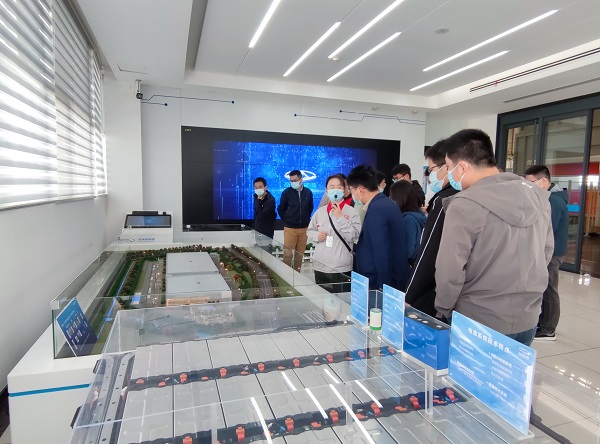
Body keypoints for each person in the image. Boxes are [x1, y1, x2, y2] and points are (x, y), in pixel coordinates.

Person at [435, 129, 553, 346]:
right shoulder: (537, 196)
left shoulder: (464, 204)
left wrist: (443, 308)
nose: (448, 174)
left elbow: (450, 269)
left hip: (478, 319)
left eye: (449, 167)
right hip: (527, 316)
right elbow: (546, 252)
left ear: (463, 167)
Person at [404, 140, 459, 317]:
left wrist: (409, 294)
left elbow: (429, 251)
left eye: (431, 169)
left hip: (439, 291)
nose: (429, 176)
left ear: (447, 166)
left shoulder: (443, 201)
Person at [524, 165, 569, 341]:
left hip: (553, 252)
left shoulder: (553, 201)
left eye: (531, 182)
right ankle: (543, 323)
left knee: (549, 289)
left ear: (543, 180)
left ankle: (548, 329)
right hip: (548, 250)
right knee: (545, 288)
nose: (529, 187)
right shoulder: (548, 197)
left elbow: (547, 230)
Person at [348, 165, 409, 291]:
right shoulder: (385, 203)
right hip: (386, 279)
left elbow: (381, 249)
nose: (351, 194)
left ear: (360, 190)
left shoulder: (377, 209)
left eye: (351, 190)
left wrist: (383, 285)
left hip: (379, 283)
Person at [307, 174, 361, 292]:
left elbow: (354, 236)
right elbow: (309, 231)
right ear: (326, 190)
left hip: (341, 266)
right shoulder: (320, 212)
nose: (335, 190)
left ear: (345, 190)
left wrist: (340, 217)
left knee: (342, 300)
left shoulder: (352, 212)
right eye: (331, 187)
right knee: (322, 299)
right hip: (321, 264)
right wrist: (317, 236)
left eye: (339, 187)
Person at [277, 169, 314, 271]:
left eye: (295, 180)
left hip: (304, 229)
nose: (293, 182)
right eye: (291, 181)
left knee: (299, 256)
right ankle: (286, 276)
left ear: (301, 180)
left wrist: (305, 218)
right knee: (287, 255)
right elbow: (281, 209)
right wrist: (287, 220)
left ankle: (297, 274)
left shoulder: (308, 192)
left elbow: (310, 208)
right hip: (290, 229)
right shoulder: (286, 193)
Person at [389, 180, 426, 266]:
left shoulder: (407, 220)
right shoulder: (418, 215)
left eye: (391, 196)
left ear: (398, 198)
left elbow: (408, 251)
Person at [252, 177, 276, 251]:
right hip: (257, 230)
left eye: (260, 187)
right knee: (258, 253)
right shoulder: (256, 197)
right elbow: (256, 214)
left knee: (266, 253)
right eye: (256, 187)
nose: (257, 189)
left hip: (266, 232)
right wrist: (254, 227)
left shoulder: (270, 200)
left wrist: (258, 201)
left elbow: (261, 215)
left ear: (265, 187)